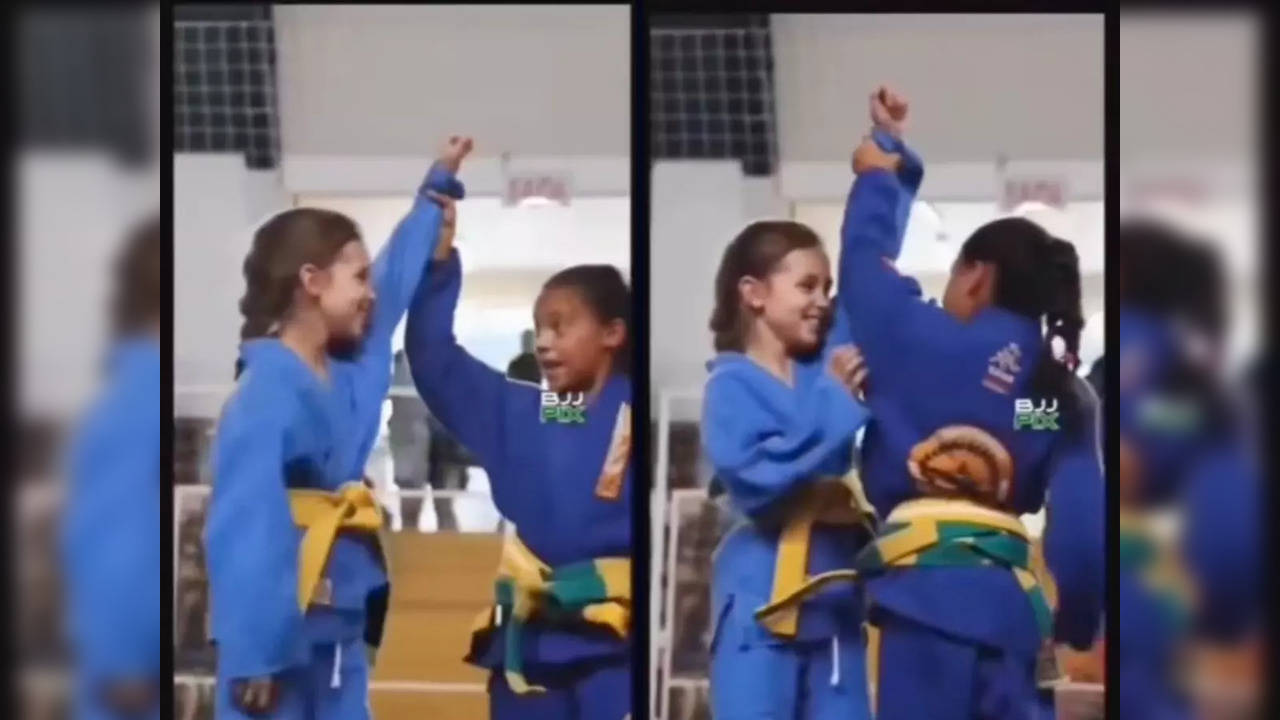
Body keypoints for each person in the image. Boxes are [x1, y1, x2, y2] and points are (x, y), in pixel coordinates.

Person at [757, 88, 1104, 720]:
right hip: (1011, 616)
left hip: (920, 607)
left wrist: (884, 157)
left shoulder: (909, 338)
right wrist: (1078, 625)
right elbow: (1081, 530)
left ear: (975, 274)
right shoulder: (1050, 398)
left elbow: (865, 258)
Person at [205, 136, 471, 720]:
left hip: (338, 630)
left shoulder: (354, 365)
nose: (369, 293)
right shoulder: (265, 397)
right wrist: (254, 655)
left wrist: (434, 194)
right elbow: (244, 530)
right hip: (275, 643)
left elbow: (397, 278)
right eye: (356, 277)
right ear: (312, 281)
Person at [404, 193, 633, 719]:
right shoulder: (549, 412)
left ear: (612, 334)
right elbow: (436, 360)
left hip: (619, 645)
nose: (545, 343)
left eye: (561, 325)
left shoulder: (630, 408)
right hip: (531, 646)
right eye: (539, 329)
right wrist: (437, 266)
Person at [699, 217, 879, 719]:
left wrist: (885, 178)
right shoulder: (731, 387)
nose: (822, 300)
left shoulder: (825, 370)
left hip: (836, 600)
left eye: (827, 287)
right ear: (754, 293)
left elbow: (867, 257)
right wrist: (838, 404)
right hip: (758, 602)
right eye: (806, 286)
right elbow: (757, 478)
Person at [61, 216, 161, 720]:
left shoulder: (123, 397)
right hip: (133, 684)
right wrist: (123, 663)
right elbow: (119, 546)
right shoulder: (141, 403)